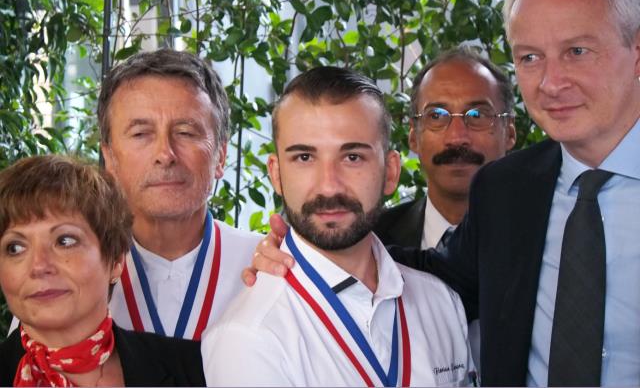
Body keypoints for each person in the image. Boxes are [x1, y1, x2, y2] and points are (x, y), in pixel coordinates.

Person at [245, 0, 640, 385]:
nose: (551, 81)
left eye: (576, 51)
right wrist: (303, 255)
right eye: (530, 57)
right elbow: (429, 276)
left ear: (637, 52)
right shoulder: (508, 189)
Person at [202, 66, 474, 386]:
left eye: (353, 157)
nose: (329, 186)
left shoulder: (441, 301)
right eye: (304, 158)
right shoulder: (248, 337)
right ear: (275, 174)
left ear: (390, 171)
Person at [0, 155, 205, 386]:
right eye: (15, 248)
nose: (38, 266)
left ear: (115, 260)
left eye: (65, 241)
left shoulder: (197, 368)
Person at [98, 49, 261, 340]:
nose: (165, 154)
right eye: (141, 134)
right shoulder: (71, 274)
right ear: (109, 158)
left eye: (185, 132)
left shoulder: (267, 268)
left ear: (220, 156)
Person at [374, 46, 516, 250]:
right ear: (413, 136)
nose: (457, 138)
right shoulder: (372, 241)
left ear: (510, 133)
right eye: (436, 116)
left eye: (476, 115)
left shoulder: (551, 234)